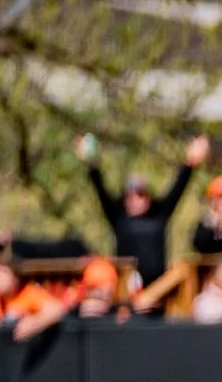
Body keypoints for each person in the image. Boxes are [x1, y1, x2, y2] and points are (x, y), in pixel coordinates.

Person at [77, 131, 208, 310]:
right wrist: (91, 163)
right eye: (131, 194)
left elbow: (179, 187)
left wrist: (190, 163)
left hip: (159, 293)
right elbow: (100, 188)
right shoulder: (119, 217)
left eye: (141, 194)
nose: (136, 199)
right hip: (126, 296)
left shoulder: (159, 214)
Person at [0, 260, 70, 342]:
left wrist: (36, 322)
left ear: (15, 279)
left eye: (3, 273)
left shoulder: (29, 293)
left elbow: (57, 309)